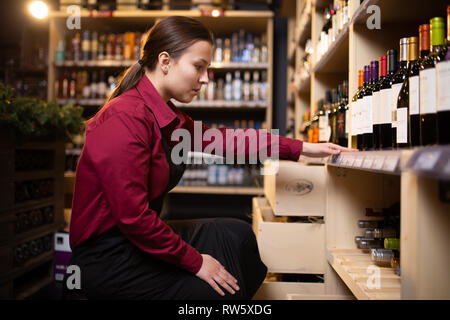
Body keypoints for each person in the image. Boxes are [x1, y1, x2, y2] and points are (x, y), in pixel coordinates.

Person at [65, 16, 356, 300]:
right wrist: (196, 262)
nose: (205, 79)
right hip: (107, 257)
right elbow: (133, 218)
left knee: (238, 236)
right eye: (198, 67)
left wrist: (302, 148)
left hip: (134, 240)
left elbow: (229, 141)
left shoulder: (167, 117)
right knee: (213, 290)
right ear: (165, 62)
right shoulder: (123, 117)